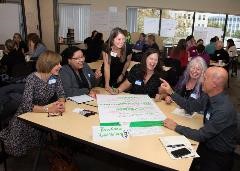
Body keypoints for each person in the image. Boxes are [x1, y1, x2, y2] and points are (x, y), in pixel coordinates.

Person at [160, 66, 237, 171]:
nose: (201, 81)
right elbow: (190, 106)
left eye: (205, 78)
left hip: (218, 155)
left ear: (214, 84)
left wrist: (176, 126)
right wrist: (171, 92)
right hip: (206, 144)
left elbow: (201, 135)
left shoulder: (223, 110)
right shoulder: (209, 95)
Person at [0, 50, 65, 157]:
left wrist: (61, 103)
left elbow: (62, 94)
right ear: (48, 65)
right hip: (25, 116)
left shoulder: (55, 77)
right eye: (57, 64)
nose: (60, 66)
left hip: (41, 114)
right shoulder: (32, 78)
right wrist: (49, 109)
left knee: (39, 143)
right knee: (17, 149)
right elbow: (27, 106)